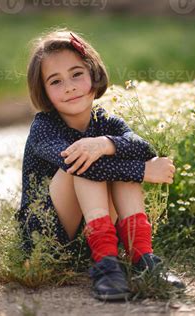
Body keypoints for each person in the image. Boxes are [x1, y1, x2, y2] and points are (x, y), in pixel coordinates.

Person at [15, 28, 185, 301]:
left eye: (76, 74)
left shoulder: (105, 121)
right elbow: (104, 164)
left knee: (106, 151)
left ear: (94, 75)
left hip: (87, 237)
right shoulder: (44, 127)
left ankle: (142, 256)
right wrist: (143, 171)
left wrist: (105, 143)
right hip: (45, 237)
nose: (69, 86)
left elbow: (144, 148)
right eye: (55, 81)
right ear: (44, 92)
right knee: (82, 159)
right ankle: (106, 265)